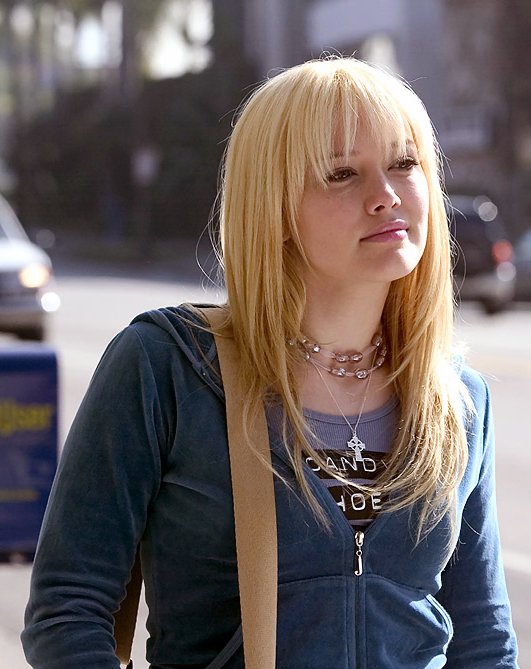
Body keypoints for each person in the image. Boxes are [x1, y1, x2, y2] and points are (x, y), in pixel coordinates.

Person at [22, 57, 519, 668]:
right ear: (274, 209)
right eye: (342, 173)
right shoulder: (167, 367)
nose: (386, 195)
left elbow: (483, 640)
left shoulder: (458, 399)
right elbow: (67, 611)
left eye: (404, 163)